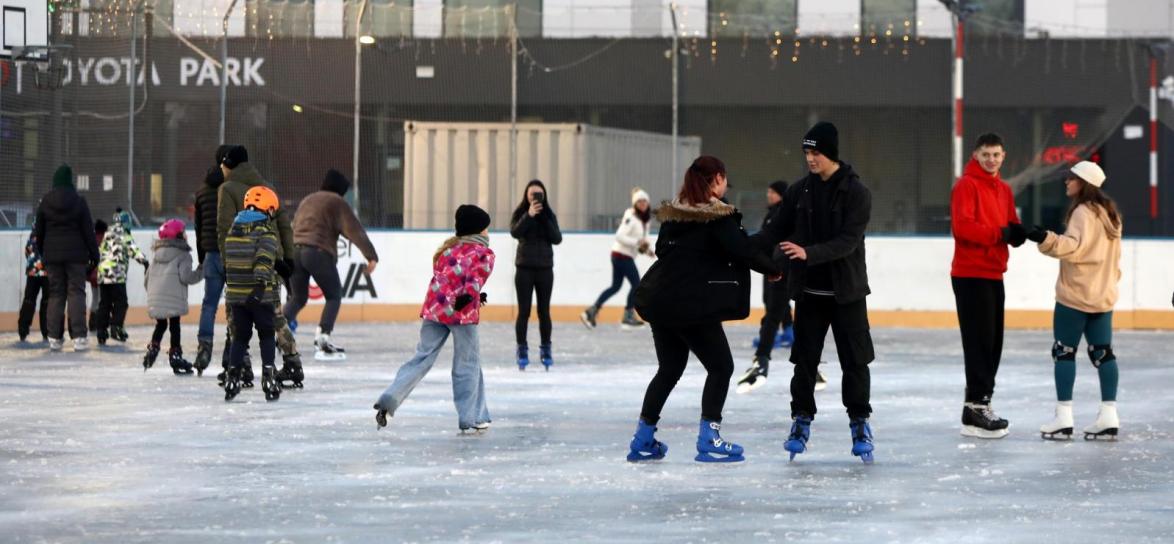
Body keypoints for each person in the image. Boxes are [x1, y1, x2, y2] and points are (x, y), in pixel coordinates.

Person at [627, 156, 780, 464]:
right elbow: (742, 249)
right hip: (690, 304)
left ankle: (643, 438)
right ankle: (709, 438)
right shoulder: (716, 215)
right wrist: (773, 269)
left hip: (660, 299)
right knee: (721, 367)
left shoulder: (675, 214)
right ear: (718, 179)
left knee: (669, 368)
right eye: (725, 182)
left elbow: (662, 249)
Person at [755, 121, 876, 464]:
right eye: (807, 152)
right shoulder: (798, 191)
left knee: (855, 361)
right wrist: (740, 249)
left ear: (831, 153)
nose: (810, 158)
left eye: (816, 152)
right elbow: (774, 232)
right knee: (803, 363)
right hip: (809, 294)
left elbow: (848, 242)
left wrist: (810, 253)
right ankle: (801, 420)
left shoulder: (857, 193)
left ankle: (859, 422)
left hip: (846, 294)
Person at [373, 205, 495, 432]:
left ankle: (390, 397)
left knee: (422, 358)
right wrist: (471, 295)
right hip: (462, 314)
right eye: (487, 228)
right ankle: (471, 418)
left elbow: (446, 281)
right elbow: (472, 281)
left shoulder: (447, 251)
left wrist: (475, 295)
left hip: (435, 310)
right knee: (467, 364)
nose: (489, 232)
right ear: (478, 231)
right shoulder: (483, 254)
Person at [1030, 161, 1123, 441]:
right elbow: (1115, 259)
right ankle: (1109, 416)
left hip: (1075, 296)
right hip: (1103, 296)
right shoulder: (1111, 214)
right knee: (1102, 353)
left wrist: (1043, 237)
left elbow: (1072, 248)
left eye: (1071, 178)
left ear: (1084, 182)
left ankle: (1063, 417)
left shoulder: (1082, 212)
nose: (1066, 182)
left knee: (1064, 351)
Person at [950, 132, 1026, 439]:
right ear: (976, 155)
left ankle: (979, 404)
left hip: (994, 272)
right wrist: (1001, 234)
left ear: (1003, 156)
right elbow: (963, 227)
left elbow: (1010, 223)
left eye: (996, 154)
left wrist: (1020, 232)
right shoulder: (966, 185)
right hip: (970, 273)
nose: (991, 160)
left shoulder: (1004, 189)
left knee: (993, 342)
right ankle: (977, 406)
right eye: (986, 155)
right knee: (979, 341)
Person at [215, 145, 304, 389]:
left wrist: (228, 263)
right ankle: (292, 361)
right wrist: (287, 259)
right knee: (273, 316)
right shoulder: (266, 186)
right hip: (270, 257)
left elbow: (225, 229)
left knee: (236, 315)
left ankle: (240, 364)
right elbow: (284, 224)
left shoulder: (228, 189)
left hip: (241, 263)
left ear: (228, 165)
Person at [737, 179, 824, 394]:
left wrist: (769, 266)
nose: (768, 195)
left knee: (777, 316)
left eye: (771, 192)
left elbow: (773, 243)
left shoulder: (784, 215)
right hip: (787, 269)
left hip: (784, 270)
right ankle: (795, 362)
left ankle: (765, 360)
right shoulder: (792, 215)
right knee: (783, 314)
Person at [283, 169, 379, 361]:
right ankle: (323, 339)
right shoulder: (336, 202)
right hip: (317, 253)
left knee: (298, 297)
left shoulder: (307, 200)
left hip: (294, 251)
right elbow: (354, 230)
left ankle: (277, 333)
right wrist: (371, 256)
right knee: (334, 295)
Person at [222, 186, 284, 402]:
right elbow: (264, 259)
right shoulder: (265, 232)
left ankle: (232, 377)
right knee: (267, 334)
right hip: (259, 295)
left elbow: (229, 262)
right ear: (266, 209)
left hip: (236, 296)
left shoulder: (233, 230)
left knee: (240, 337)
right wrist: (259, 286)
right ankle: (268, 376)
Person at [35, 164, 100, 352]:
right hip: (76, 257)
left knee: (56, 294)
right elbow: (88, 230)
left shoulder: (45, 202)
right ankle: (79, 337)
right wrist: (94, 256)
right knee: (76, 293)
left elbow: (39, 231)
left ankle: (54, 337)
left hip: (52, 257)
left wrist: (43, 254)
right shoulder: (79, 201)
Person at [581, 188, 654, 331]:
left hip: (622, 255)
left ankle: (590, 312)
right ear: (635, 204)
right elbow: (620, 236)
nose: (642, 204)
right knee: (637, 285)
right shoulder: (631, 217)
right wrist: (638, 242)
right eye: (639, 201)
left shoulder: (644, 220)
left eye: (644, 201)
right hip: (621, 255)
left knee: (616, 286)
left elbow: (639, 241)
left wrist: (647, 250)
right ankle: (628, 316)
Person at [509, 179, 563, 370]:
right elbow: (514, 232)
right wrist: (529, 216)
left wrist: (543, 219)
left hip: (545, 269)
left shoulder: (549, 215)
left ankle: (546, 348)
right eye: (532, 194)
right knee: (524, 312)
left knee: (544, 311)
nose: (535, 197)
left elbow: (557, 239)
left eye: (539, 194)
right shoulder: (521, 213)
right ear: (526, 196)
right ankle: (522, 349)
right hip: (524, 268)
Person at [143, 219, 204, 375]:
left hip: (155, 299)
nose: (186, 235)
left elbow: (146, 280)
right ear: (178, 236)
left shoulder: (156, 255)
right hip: (173, 300)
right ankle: (175, 355)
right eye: (183, 233)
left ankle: (153, 348)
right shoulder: (183, 255)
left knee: (161, 324)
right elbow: (187, 277)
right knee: (174, 324)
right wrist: (202, 270)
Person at [93, 208, 149, 346]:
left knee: (104, 303)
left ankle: (101, 331)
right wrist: (145, 262)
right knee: (121, 303)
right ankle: (116, 326)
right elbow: (134, 251)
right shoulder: (125, 235)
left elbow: (100, 250)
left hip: (103, 274)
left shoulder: (107, 234)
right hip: (116, 275)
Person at [193, 163, 226, 375]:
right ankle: (237, 352)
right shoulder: (229, 191)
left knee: (209, 304)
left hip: (211, 254)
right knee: (237, 304)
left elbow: (198, 227)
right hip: (230, 253)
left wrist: (201, 257)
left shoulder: (201, 194)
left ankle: (204, 347)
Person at [18, 218, 49, 344]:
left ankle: (23, 329)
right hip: (47, 271)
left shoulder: (33, 232)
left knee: (29, 300)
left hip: (32, 272)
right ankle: (47, 331)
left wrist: (33, 263)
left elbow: (27, 251)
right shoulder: (50, 225)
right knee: (47, 301)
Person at [87, 220, 108, 334]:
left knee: (95, 298)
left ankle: (92, 323)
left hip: (92, 275)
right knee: (100, 300)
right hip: (101, 275)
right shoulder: (104, 240)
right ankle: (97, 324)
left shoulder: (92, 239)